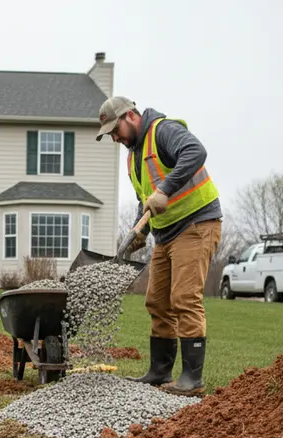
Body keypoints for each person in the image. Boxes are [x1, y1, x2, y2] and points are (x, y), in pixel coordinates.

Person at [97, 96, 222, 396]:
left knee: (184, 298)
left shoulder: (163, 130)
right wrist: (140, 231)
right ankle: (159, 371)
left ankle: (192, 379)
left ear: (130, 116)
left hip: (195, 224)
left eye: (115, 130)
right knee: (157, 301)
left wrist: (165, 189)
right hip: (165, 234)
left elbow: (196, 151)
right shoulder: (133, 157)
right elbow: (148, 200)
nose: (115, 138)